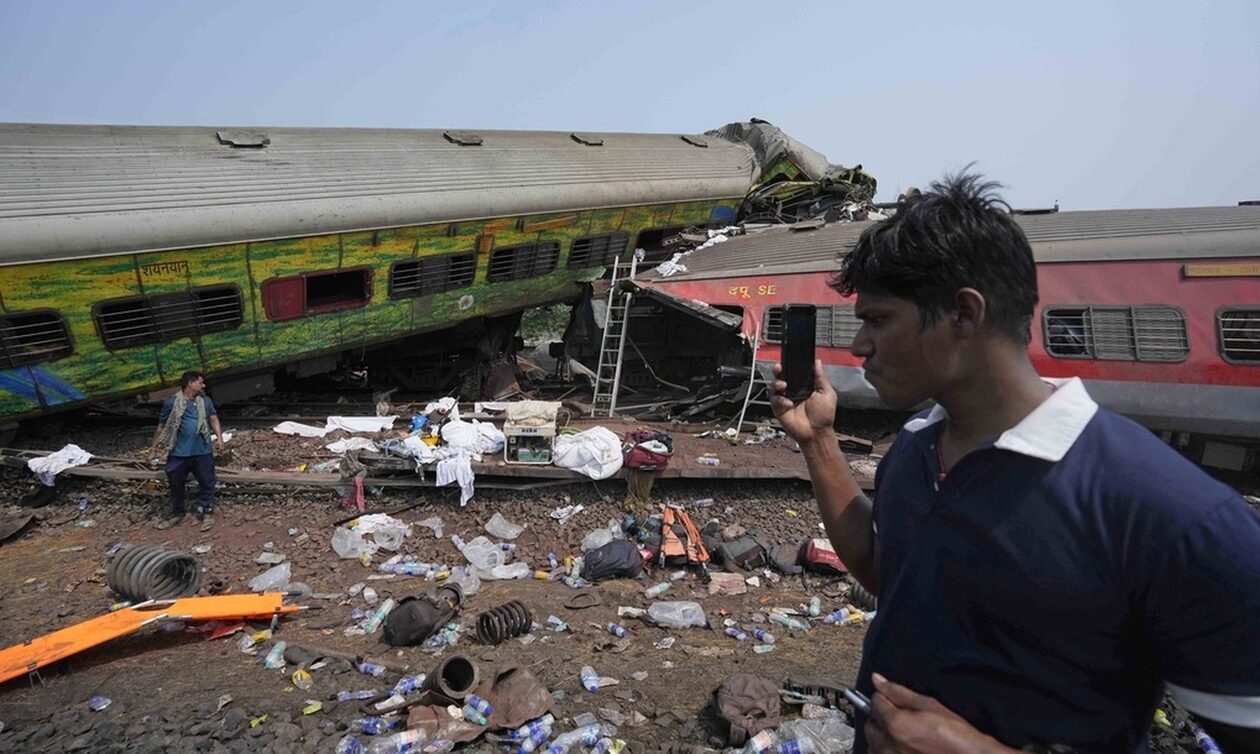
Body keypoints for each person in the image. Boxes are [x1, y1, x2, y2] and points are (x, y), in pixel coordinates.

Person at [770, 172, 1260, 753]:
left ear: (964, 315)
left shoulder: (1174, 515)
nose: (857, 346)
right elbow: (888, 574)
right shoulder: (916, 449)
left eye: (877, 319)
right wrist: (818, 441)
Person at [149, 371, 224, 531]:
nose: (203, 386)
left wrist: (219, 437)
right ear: (190, 383)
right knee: (176, 483)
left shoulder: (205, 401)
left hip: (202, 450)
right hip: (179, 452)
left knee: (207, 482)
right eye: (200, 382)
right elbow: (161, 427)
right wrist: (153, 449)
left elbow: (213, 418)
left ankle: (207, 512)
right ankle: (178, 513)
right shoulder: (172, 403)